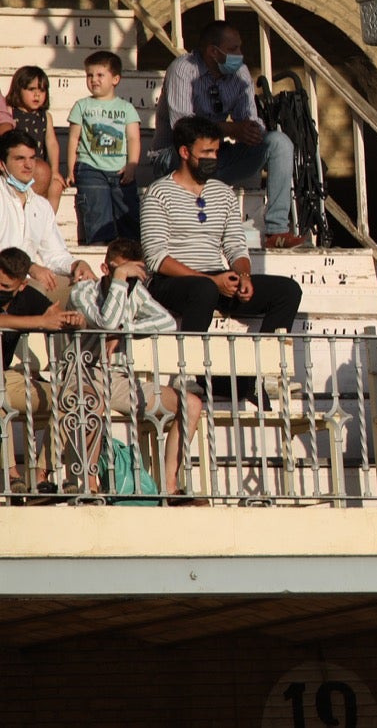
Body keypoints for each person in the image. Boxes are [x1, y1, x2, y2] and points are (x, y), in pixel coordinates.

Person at [140, 115, 304, 401]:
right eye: (206, 152)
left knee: (287, 290)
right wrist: (212, 280)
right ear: (184, 152)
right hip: (172, 280)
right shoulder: (159, 193)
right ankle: (188, 372)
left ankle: (256, 374)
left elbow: (236, 248)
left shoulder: (223, 193)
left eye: (216, 152)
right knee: (202, 289)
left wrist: (242, 276)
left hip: (213, 277)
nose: (213, 158)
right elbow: (156, 258)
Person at [148, 20, 304, 249]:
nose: (239, 55)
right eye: (233, 50)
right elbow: (183, 127)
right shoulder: (183, 70)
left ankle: (277, 230)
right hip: (174, 157)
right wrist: (232, 129)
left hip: (218, 156)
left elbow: (249, 117)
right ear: (213, 51)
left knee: (279, 143)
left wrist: (252, 131)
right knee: (191, 149)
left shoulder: (240, 73)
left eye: (239, 48)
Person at [68, 238, 205, 497]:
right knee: (92, 404)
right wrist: (120, 279)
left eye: (132, 276)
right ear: (105, 269)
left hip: (118, 379)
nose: (127, 281)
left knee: (192, 404)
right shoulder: (82, 292)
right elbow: (106, 322)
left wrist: (125, 330)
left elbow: (166, 323)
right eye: (121, 272)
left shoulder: (135, 292)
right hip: (81, 374)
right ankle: (90, 488)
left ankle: (169, 488)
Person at [0, 246, 84, 497]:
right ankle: (12, 478)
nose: (0, 291)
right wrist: (39, 322)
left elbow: (54, 315)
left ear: (22, 285)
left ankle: (40, 476)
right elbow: (41, 320)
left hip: (6, 377)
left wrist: (73, 319)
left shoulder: (27, 297)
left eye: (6, 288)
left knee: (70, 398)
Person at [0, 130, 95, 298]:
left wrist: (77, 264)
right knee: (37, 292)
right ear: (2, 164)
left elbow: (55, 254)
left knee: (85, 290)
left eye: (32, 158)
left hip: (29, 282)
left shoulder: (41, 205)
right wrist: (29, 266)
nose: (29, 166)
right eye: (20, 159)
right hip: (6, 283)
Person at [66, 50, 142, 243]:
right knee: (97, 216)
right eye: (89, 75)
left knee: (129, 216)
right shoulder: (81, 106)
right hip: (90, 168)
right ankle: (99, 256)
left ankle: (130, 259)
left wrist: (132, 165)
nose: (94, 80)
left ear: (115, 79)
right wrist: (70, 169)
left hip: (121, 170)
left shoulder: (126, 108)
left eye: (100, 75)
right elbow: (74, 138)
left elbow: (133, 138)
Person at [0, 66, 65, 211]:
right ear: (18, 90)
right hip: (18, 166)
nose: (37, 95)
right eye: (31, 89)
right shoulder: (11, 112)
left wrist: (55, 171)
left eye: (42, 90)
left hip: (38, 166)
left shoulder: (45, 117)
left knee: (56, 185)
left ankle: (46, 222)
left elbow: (52, 143)